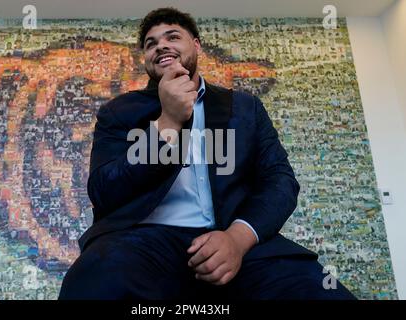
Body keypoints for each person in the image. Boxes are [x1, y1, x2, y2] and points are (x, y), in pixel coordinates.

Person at [59, 7, 356, 300]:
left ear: (196, 45)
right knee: (93, 280)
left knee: (317, 289)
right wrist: (168, 122)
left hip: (234, 237)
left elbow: (280, 181)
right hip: (143, 242)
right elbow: (104, 190)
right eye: (151, 43)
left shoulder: (245, 107)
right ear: (146, 59)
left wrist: (238, 239)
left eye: (172, 37)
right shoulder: (118, 112)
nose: (161, 45)